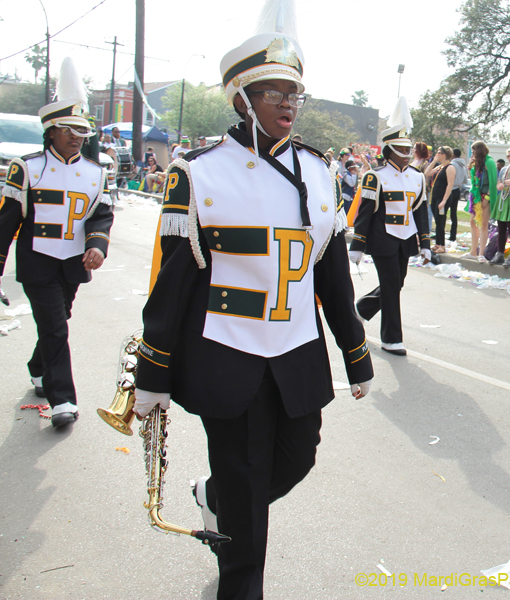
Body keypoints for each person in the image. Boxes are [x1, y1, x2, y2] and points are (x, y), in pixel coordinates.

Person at [131, 12, 374, 597]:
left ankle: (218, 499)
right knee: (245, 485)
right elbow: (173, 284)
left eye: (294, 92)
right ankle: (240, 582)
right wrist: (153, 370)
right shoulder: (198, 174)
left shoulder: (322, 176)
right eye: (273, 92)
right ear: (241, 98)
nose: (288, 103)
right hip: (226, 351)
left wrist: (356, 353)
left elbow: (333, 277)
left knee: (296, 460)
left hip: (296, 351)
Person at [0, 57, 114, 428]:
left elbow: (101, 215)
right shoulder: (27, 167)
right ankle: (62, 399)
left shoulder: (97, 172)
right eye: (68, 129)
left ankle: (38, 368)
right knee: (55, 326)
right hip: (37, 261)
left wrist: (97, 244)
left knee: (56, 320)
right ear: (51, 130)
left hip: (73, 263)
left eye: (81, 130)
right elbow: (6, 222)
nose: (76, 136)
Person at [349, 96, 431, 356]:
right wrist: (357, 245)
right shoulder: (375, 176)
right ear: (388, 150)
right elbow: (365, 214)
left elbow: (420, 214)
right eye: (401, 149)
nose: (406, 154)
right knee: (392, 288)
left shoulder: (418, 178)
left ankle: (361, 310)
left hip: (405, 239)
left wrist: (426, 244)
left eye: (408, 149)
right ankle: (391, 338)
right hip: (382, 239)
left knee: (396, 284)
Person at [466, 141, 497, 260]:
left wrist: (487, 198)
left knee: (483, 224)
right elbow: (472, 179)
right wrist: (470, 166)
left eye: (474, 152)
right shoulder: (477, 163)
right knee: (473, 222)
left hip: (485, 196)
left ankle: (481, 253)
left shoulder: (489, 162)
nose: (472, 154)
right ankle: (473, 251)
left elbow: (493, 182)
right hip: (476, 196)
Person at [424, 146, 456, 253]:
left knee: (440, 221)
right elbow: (427, 173)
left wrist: (444, 200)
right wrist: (434, 161)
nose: (437, 154)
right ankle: (437, 244)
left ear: (444, 154)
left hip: (443, 197)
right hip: (435, 196)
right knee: (437, 221)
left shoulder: (450, 167)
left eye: (439, 153)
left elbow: (450, 185)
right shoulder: (440, 166)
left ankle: (442, 245)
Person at [448, 148, 467, 248]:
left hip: (450, 189)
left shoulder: (452, 165)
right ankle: (453, 236)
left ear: (453, 155)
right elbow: (465, 180)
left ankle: (441, 234)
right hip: (458, 190)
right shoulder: (463, 166)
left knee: (442, 213)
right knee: (453, 214)